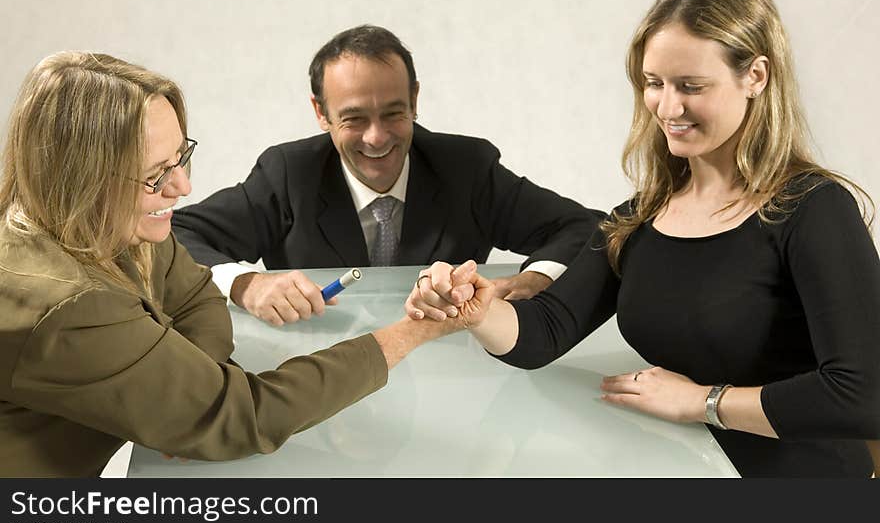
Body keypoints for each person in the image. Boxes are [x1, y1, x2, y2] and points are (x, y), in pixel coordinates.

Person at [406, 0, 880, 477]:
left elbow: (863, 394)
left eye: (691, 85)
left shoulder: (814, 208)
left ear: (756, 77)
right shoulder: (641, 217)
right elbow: (543, 332)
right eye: (654, 83)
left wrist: (703, 403)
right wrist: (475, 311)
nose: (667, 106)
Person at [0, 52, 490, 477]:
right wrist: (412, 331)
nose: (182, 189)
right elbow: (242, 416)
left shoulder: (106, 222)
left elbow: (193, 295)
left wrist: (189, 397)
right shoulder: (72, 307)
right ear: (79, 179)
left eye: (180, 159)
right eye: (155, 176)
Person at [171, 25, 603, 326]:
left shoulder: (465, 168)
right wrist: (246, 285)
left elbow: (586, 226)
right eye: (354, 119)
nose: (376, 138)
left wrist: (536, 278)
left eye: (393, 113)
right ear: (321, 113)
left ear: (415, 99)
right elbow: (179, 233)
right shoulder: (288, 174)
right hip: (321, 383)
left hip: (447, 379)